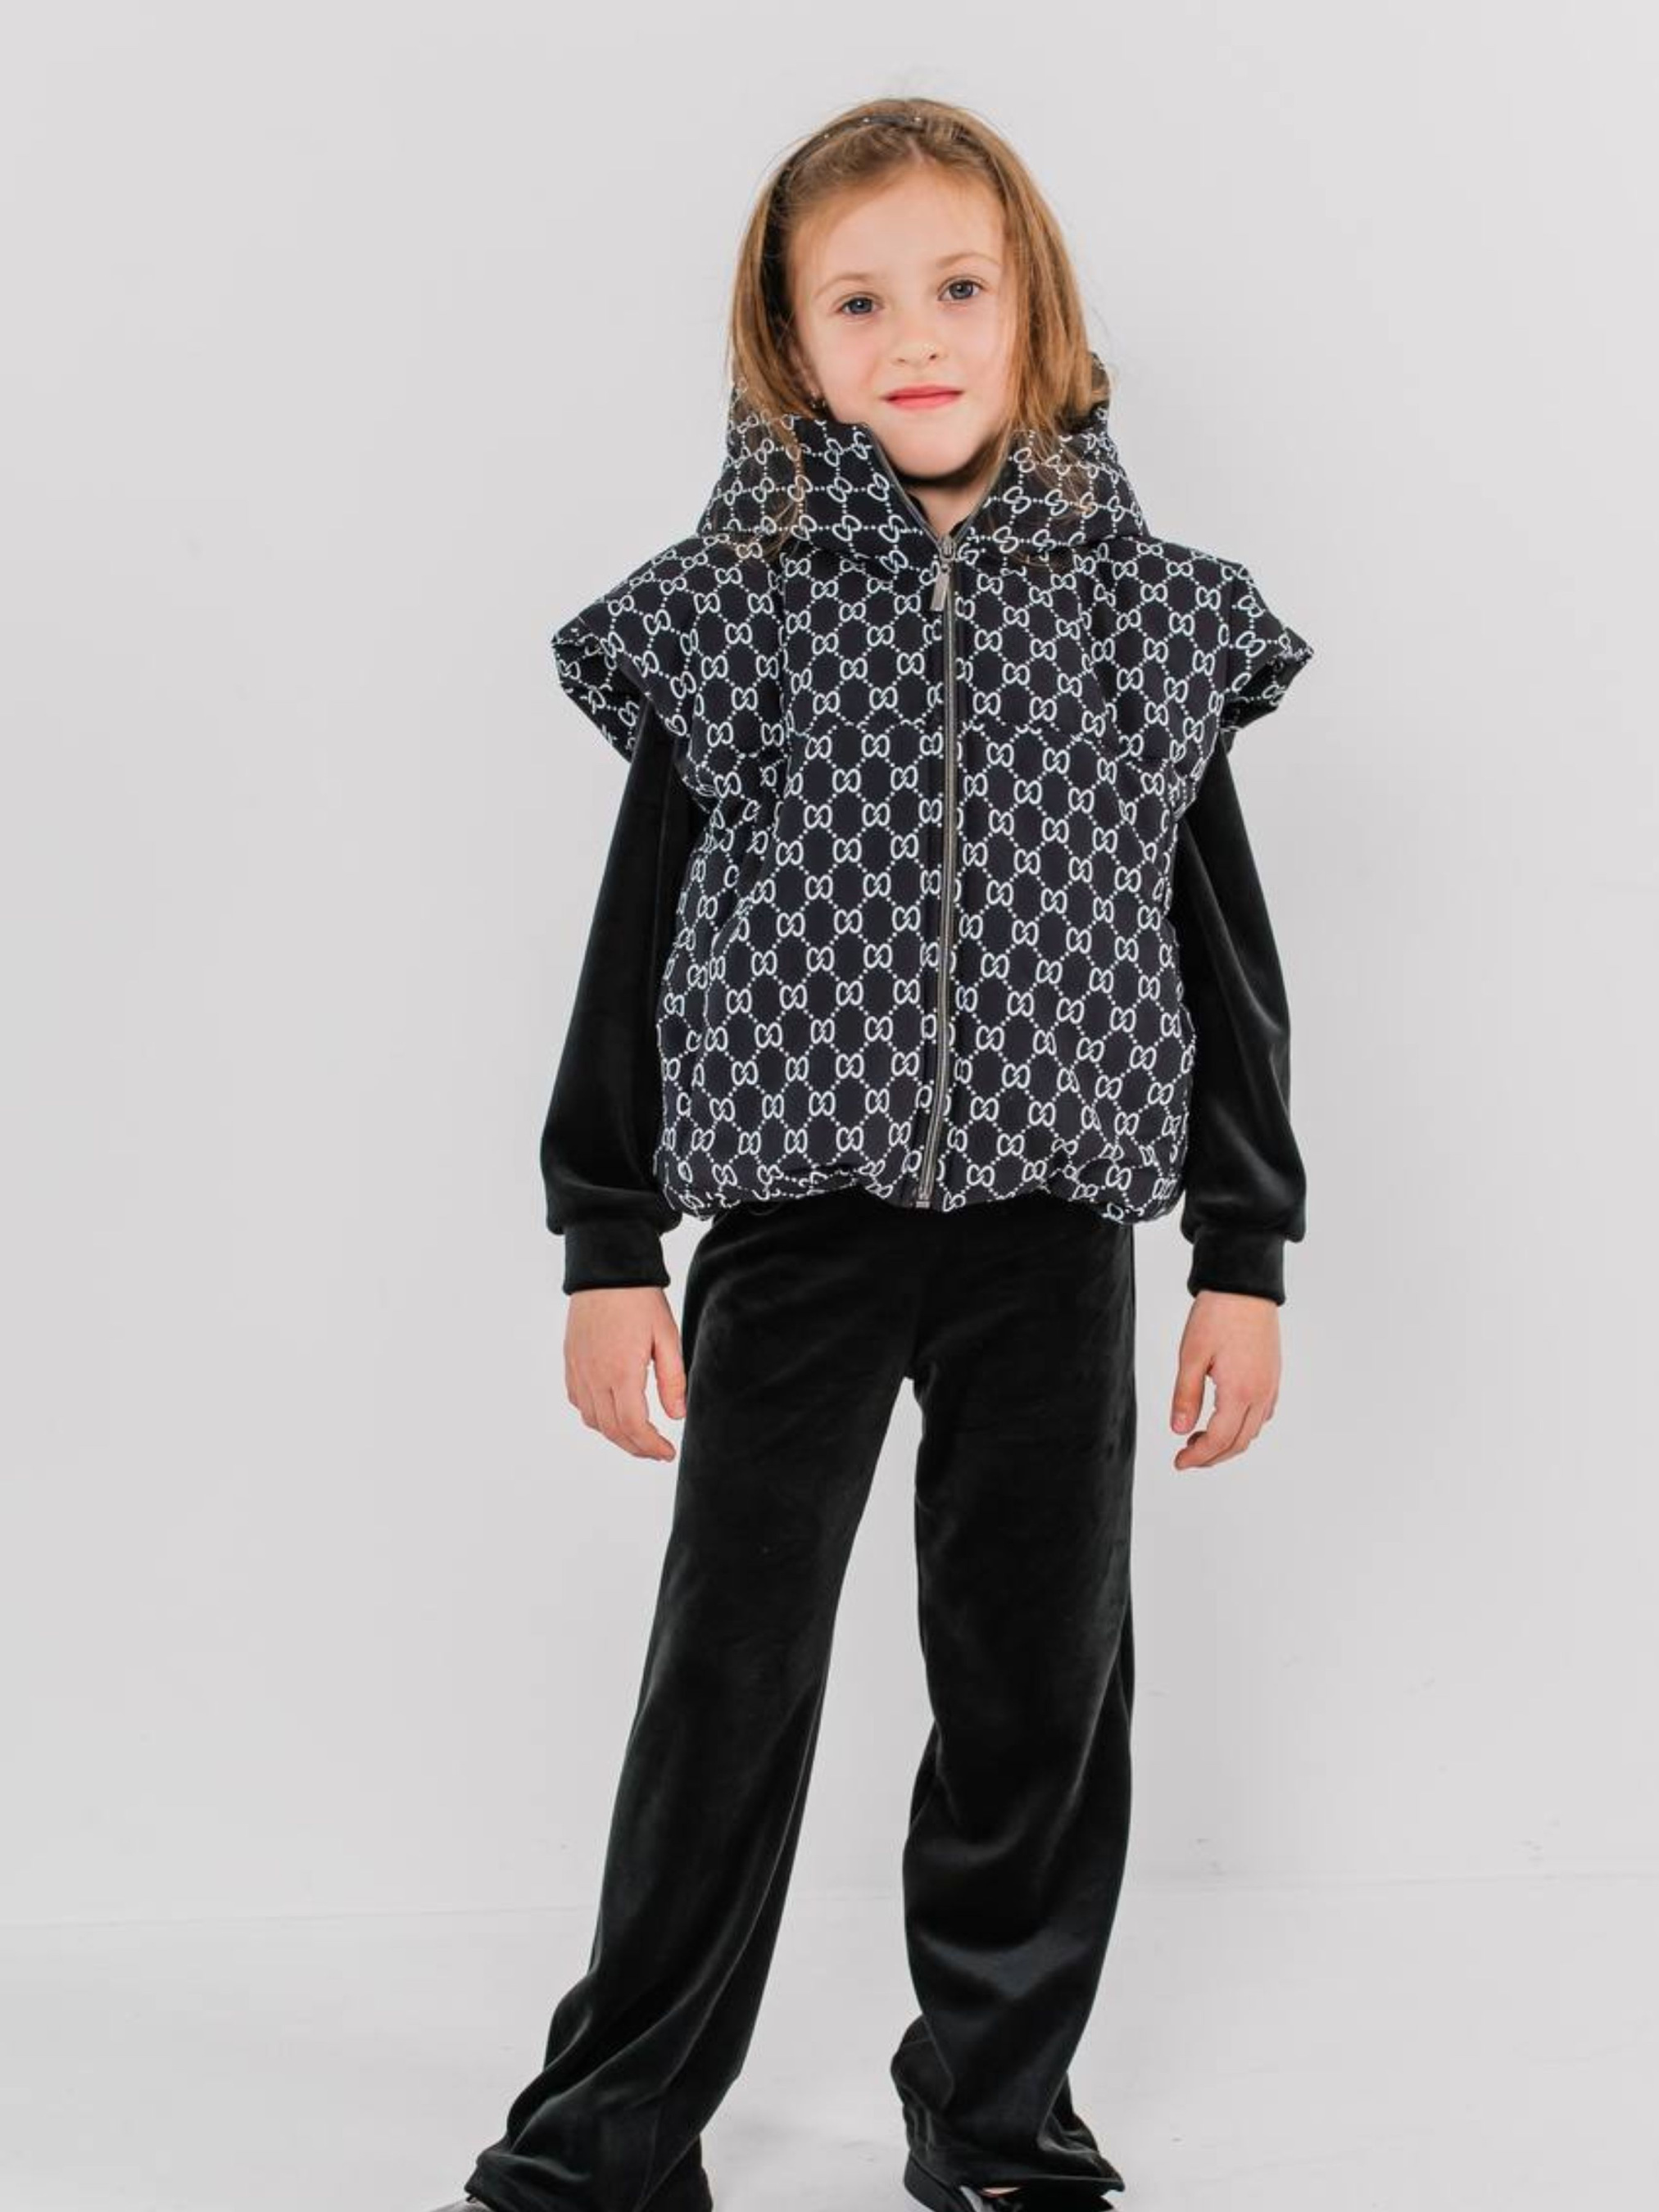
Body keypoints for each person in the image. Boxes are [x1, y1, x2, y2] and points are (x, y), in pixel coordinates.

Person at [435, 93, 1312, 2212]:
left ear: (1033, 314)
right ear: (789, 340)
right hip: (795, 1227)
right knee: (727, 1679)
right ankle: (611, 2126)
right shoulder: (728, 613)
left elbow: (1225, 954)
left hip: (1048, 1230)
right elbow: (633, 941)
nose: (912, 336)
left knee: (1038, 1684)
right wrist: (606, 1237)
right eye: (856, 301)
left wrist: (1243, 1249)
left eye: (956, 288)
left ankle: (995, 2110)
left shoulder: (1152, 622)